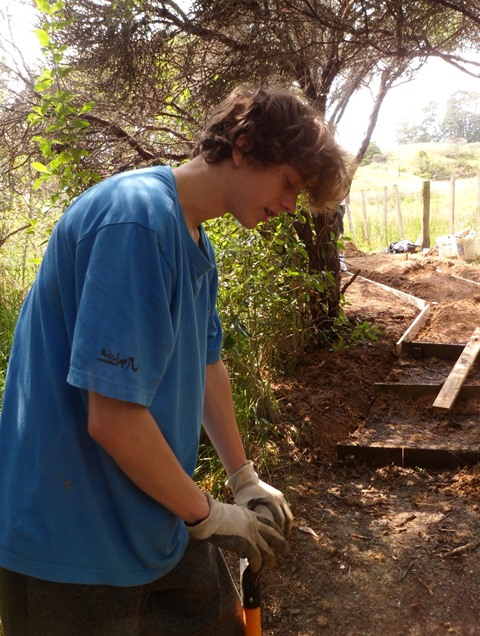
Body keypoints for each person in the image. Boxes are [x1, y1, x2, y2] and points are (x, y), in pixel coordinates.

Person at [0, 84, 349, 635]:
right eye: (288, 182)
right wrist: (209, 514)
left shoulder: (195, 243)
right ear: (243, 146)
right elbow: (113, 420)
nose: (289, 204)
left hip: (151, 515)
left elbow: (207, 366)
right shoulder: (136, 221)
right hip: (71, 542)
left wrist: (243, 479)